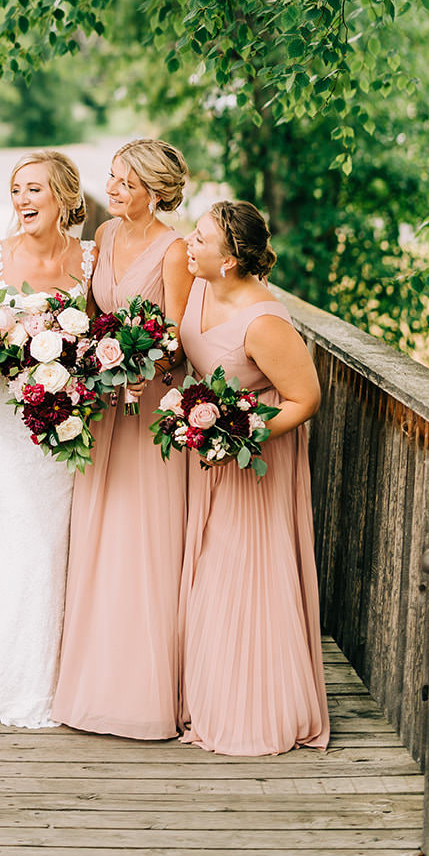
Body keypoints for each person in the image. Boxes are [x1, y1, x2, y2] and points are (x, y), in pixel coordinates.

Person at [177, 200, 329, 754]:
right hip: (206, 451)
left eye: (200, 239)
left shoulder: (263, 322)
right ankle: (205, 691)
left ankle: (252, 707)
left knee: (242, 576)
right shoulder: (199, 289)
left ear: (229, 262)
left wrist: (240, 436)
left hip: (253, 459)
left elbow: (306, 399)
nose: (188, 244)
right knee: (206, 572)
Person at [53, 138, 193, 739]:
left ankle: (145, 694)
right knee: (99, 534)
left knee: (142, 538)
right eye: (111, 177)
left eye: (125, 183)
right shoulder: (105, 237)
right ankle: (93, 682)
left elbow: (183, 340)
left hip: (148, 413)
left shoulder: (176, 250)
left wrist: (138, 365)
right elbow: (85, 312)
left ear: (156, 193)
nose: (111, 190)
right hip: (103, 410)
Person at [0, 149, 95, 729]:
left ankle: (59, 682)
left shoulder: (90, 259)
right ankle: (9, 689)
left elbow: (97, 339)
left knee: (54, 542)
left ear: (65, 197)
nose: (21, 200)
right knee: (20, 540)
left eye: (34, 189)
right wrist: (1, 348)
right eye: (16, 189)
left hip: (61, 424)